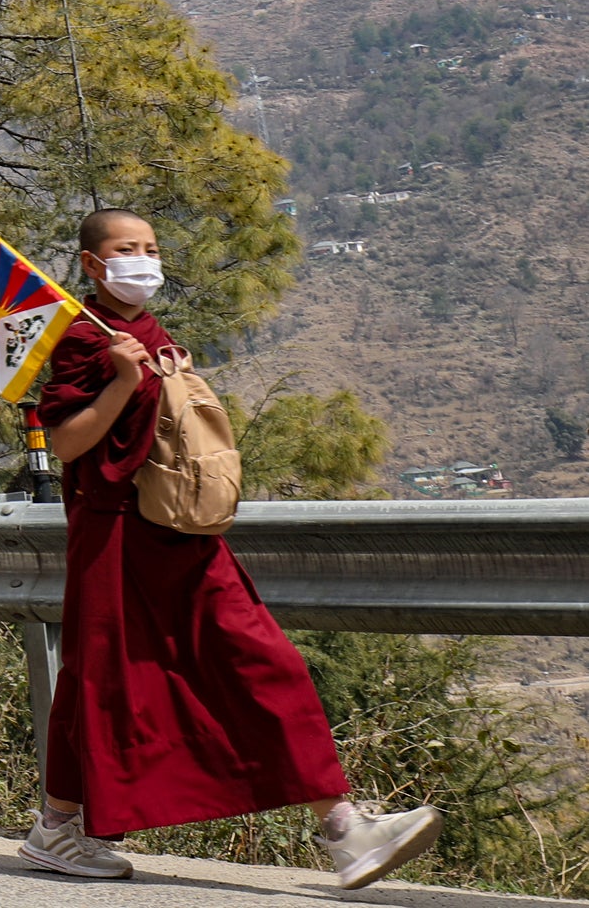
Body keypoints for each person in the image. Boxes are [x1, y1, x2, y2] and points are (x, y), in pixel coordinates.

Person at [25, 208, 442, 887]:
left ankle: (342, 828)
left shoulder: (143, 331)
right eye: (125, 249)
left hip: (180, 531)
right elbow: (66, 444)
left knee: (259, 658)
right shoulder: (82, 339)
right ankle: (59, 827)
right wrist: (125, 382)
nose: (142, 260)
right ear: (92, 265)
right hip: (116, 534)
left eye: (151, 247)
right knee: (101, 679)